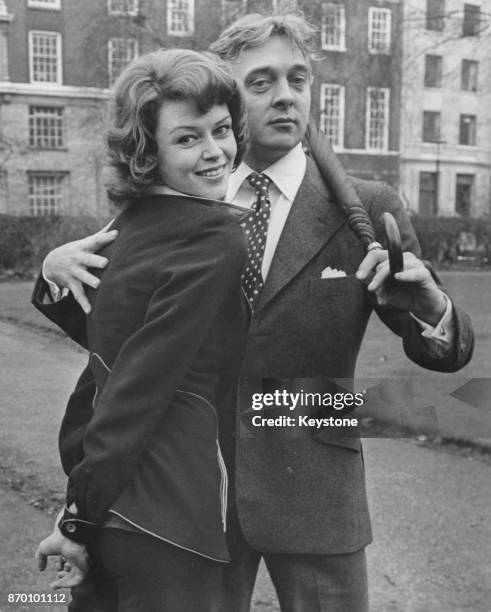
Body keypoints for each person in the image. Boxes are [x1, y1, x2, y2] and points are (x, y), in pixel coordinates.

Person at [34, 13, 474, 612]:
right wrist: (53, 270)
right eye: (261, 82)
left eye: (298, 78)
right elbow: (121, 338)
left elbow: (447, 351)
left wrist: (432, 307)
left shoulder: (367, 207)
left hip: (316, 487)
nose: (286, 95)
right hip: (193, 492)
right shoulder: (178, 188)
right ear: (224, 92)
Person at [35, 47, 251, 611]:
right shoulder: (214, 235)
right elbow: (136, 385)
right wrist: (77, 519)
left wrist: (79, 514)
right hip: (168, 515)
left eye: (222, 130)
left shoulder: (132, 224)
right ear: (147, 151)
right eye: (187, 138)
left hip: (110, 508)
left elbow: (109, 355)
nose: (215, 153)